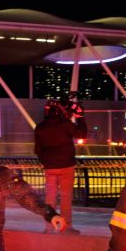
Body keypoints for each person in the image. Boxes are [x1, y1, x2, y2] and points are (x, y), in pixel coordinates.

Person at [34, 98, 80, 234]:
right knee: (66, 197)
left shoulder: (40, 127)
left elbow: (38, 149)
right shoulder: (66, 124)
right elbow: (81, 133)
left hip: (50, 166)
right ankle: (66, 227)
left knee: (50, 198)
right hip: (66, 165)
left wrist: (46, 161)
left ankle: (49, 227)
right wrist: (80, 117)